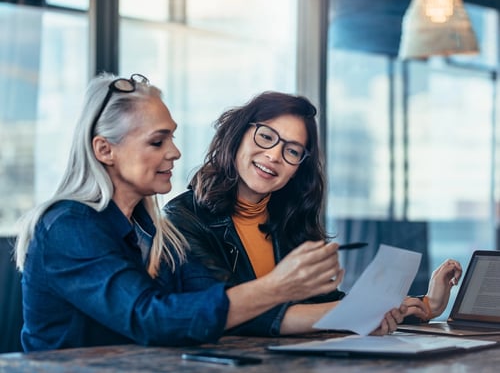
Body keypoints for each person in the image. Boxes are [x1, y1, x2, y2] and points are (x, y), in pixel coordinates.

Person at [14, 73, 355, 352]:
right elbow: (150, 319)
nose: (175, 152)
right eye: (157, 142)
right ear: (105, 150)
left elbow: (212, 307)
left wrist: (358, 313)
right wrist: (277, 287)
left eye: (172, 138)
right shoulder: (68, 226)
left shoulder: (155, 231)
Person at [164, 91, 463, 336]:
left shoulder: (289, 220)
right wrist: (357, 314)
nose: (274, 156)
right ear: (238, 135)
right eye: (266, 137)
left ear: (298, 169)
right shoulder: (182, 219)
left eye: (292, 151)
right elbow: (229, 312)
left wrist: (425, 304)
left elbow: (324, 304)